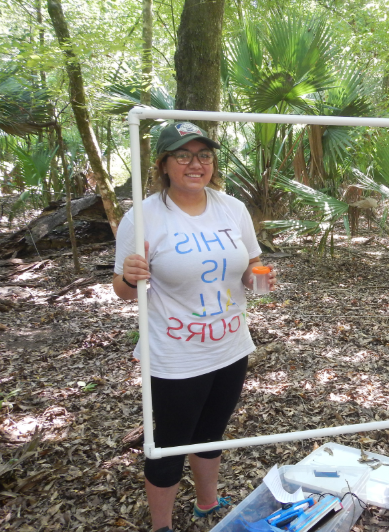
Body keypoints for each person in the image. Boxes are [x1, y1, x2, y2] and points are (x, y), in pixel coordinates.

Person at [113, 122, 277, 532]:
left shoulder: (231, 208)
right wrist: (132, 277)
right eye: (182, 155)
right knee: (169, 446)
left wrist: (260, 281)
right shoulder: (143, 215)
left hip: (230, 346)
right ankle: (162, 526)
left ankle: (208, 502)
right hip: (174, 354)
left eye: (204, 155)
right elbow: (122, 291)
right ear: (164, 164)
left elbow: (249, 271)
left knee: (211, 432)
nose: (195, 163)